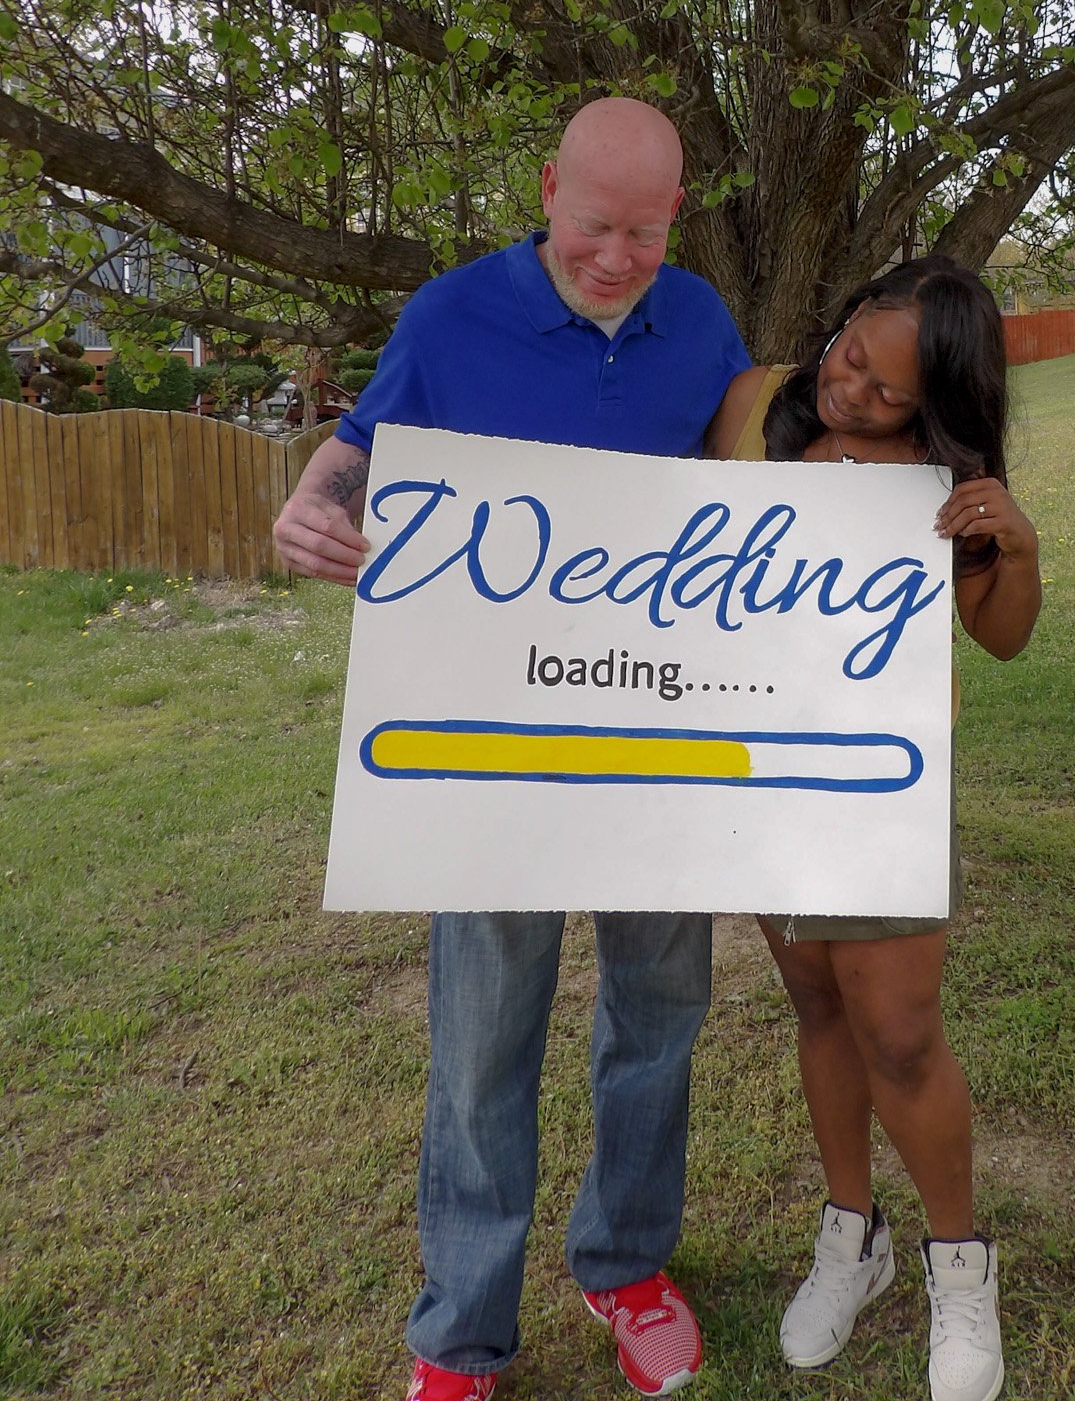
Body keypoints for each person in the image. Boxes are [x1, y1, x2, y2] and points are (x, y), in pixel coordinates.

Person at [274, 99, 751, 1401]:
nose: (617, 258)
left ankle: (627, 1264)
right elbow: (348, 464)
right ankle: (462, 1337)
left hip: (657, 742)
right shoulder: (447, 317)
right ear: (548, 190)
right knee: (484, 1040)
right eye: (596, 226)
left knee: (659, 1018)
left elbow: (757, 506)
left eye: (647, 234)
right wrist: (307, 517)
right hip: (483, 750)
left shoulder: (703, 324)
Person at [707, 255, 1041, 1401]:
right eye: (854, 353)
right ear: (845, 315)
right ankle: (855, 1235)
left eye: (890, 391)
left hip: (880, 779)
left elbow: (1002, 638)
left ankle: (960, 1263)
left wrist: (1016, 547)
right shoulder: (753, 408)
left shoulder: (943, 479)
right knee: (816, 1004)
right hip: (758, 766)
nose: (853, 391)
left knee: (898, 1028)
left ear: (934, 401)